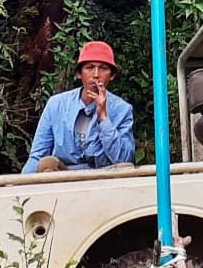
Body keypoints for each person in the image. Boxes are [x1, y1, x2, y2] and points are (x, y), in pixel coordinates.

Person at [22, 41, 135, 173]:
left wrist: (103, 117)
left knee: (124, 167)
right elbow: (37, 155)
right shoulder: (56, 104)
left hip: (104, 175)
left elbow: (125, 159)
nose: (96, 74)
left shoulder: (122, 109)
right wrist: (20, 183)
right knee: (47, 163)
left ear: (112, 75)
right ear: (79, 73)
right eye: (89, 67)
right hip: (64, 176)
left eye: (103, 68)